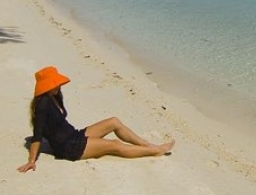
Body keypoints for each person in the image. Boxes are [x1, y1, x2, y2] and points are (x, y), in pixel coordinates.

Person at [17, 65, 174, 172]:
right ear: (47, 86)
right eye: (55, 84)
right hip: (70, 148)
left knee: (114, 121)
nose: (58, 86)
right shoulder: (43, 104)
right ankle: (155, 151)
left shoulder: (53, 97)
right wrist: (31, 161)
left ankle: (147, 144)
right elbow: (37, 135)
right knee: (115, 145)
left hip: (75, 135)